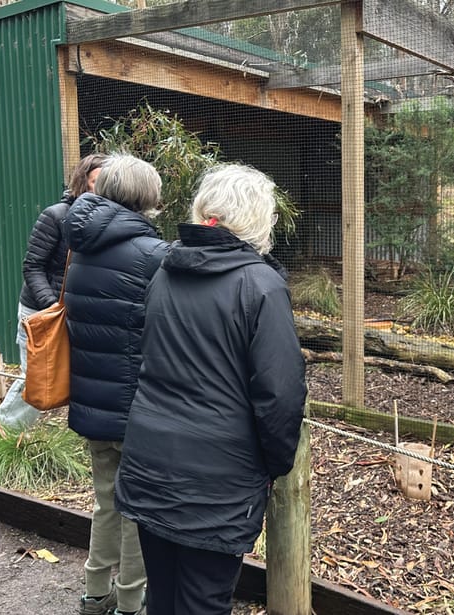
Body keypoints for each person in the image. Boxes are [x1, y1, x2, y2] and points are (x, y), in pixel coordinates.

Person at [115, 163, 306, 615]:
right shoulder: (261, 286)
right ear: (259, 218)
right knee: (204, 601)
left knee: (162, 596)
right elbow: (280, 395)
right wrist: (275, 463)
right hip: (217, 481)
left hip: (150, 464)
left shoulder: (165, 270)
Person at [63, 153, 169, 615]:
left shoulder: (83, 246)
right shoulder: (151, 254)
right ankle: (130, 599)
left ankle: (95, 591)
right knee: (137, 507)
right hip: (136, 406)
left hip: (92, 400)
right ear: (147, 197)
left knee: (106, 499)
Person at [0, 153, 109, 432]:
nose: (102, 188)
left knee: (66, 374)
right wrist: (50, 307)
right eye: (96, 182)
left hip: (76, 311)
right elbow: (32, 267)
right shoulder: (56, 215)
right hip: (41, 310)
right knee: (36, 375)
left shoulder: (106, 220)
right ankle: (4, 428)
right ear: (83, 182)